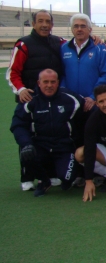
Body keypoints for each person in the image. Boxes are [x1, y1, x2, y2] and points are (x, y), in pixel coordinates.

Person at [7, 10, 68, 190]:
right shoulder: (23, 44)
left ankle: (50, 173)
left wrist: (95, 39)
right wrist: (21, 89)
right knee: (28, 136)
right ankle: (27, 177)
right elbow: (12, 72)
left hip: (53, 98)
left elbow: (74, 45)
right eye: (40, 21)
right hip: (30, 99)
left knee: (51, 134)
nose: (44, 25)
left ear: (52, 24)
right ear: (33, 24)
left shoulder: (59, 42)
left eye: (47, 21)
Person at [10, 69, 84, 196]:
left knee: (67, 179)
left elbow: (87, 116)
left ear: (58, 83)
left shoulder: (71, 99)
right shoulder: (29, 99)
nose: (49, 85)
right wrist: (26, 143)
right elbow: (18, 125)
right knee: (27, 152)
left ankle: (64, 174)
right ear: (39, 83)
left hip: (64, 147)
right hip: (40, 146)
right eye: (45, 82)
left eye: (52, 82)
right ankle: (44, 181)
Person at [60, 13, 106, 114]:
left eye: (83, 26)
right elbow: (61, 74)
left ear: (90, 29)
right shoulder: (63, 48)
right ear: (72, 29)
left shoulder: (100, 48)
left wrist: (94, 96)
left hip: (92, 103)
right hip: (70, 102)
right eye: (76, 26)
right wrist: (65, 95)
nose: (79, 29)